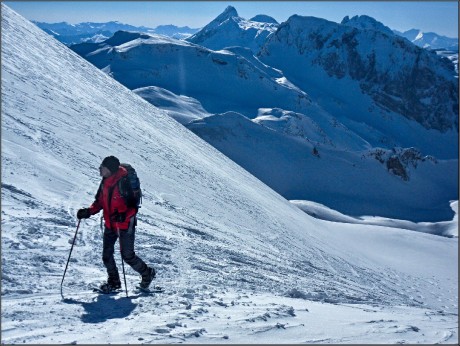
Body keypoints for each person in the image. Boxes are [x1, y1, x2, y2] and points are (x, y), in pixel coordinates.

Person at [77, 155, 155, 292]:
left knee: (128, 256)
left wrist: (123, 215)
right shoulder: (105, 181)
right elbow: (100, 202)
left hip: (124, 225)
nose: (100, 169)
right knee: (107, 255)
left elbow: (134, 207)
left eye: (103, 167)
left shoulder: (124, 182)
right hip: (110, 224)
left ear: (110, 169)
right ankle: (114, 282)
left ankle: (147, 273)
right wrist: (88, 212)